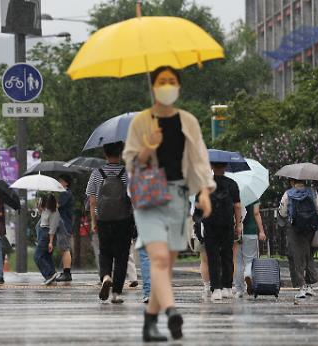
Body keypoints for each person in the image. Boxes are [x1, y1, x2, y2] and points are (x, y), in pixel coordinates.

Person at [123, 66, 214, 342]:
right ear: (153, 87)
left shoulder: (188, 121)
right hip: (149, 194)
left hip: (177, 196)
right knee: (159, 258)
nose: (167, 85)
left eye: (172, 81)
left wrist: (204, 192)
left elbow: (199, 159)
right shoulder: (141, 121)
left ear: (179, 87)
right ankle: (172, 311)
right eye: (162, 81)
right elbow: (130, 161)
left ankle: (149, 323)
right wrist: (149, 146)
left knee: (167, 262)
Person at [86, 142, 133, 304]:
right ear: (120, 154)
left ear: (105, 154)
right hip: (124, 220)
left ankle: (106, 276)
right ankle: (117, 294)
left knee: (105, 252)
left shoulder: (96, 173)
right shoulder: (127, 173)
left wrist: (94, 221)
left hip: (103, 218)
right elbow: (132, 197)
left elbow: (92, 201)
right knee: (122, 256)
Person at [200, 161, 242, 302]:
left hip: (210, 224)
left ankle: (216, 289)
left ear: (211, 166)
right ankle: (227, 288)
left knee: (212, 257)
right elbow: (237, 205)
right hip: (227, 224)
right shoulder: (232, 184)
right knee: (227, 255)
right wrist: (239, 224)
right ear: (225, 167)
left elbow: (198, 205)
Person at [279, 179, 318, 298]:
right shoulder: (312, 192)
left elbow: (282, 213)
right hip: (310, 228)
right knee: (308, 254)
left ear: (292, 182)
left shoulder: (288, 193)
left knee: (297, 256)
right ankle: (309, 284)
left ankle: (302, 286)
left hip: (295, 228)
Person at [234, 200, 267, 298]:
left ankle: (239, 290)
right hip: (251, 232)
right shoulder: (254, 196)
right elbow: (256, 213)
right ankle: (248, 274)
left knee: (238, 262)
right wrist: (261, 231)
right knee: (250, 260)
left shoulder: (234, 195)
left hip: (237, 232)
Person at [34, 194, 59, 285]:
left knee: (37, 257)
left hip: (47, 236)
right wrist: (38, 207)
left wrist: (51, 242)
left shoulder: (54, 212)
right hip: (44, 235)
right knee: (47, 257)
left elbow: (52, 228)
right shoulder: (46, 210)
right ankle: (52, 278)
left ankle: (50, 274)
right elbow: (42, 214)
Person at [55, 175, 73, 282]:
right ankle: (65, 271)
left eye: (61, 181)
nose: (59, 183)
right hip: (63, 224)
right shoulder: (64, 193)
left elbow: (57, 205)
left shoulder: (65, 193)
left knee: (65, 248)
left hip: (64, 224)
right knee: (63, 248)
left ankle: (67, 273)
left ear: (66, 183)